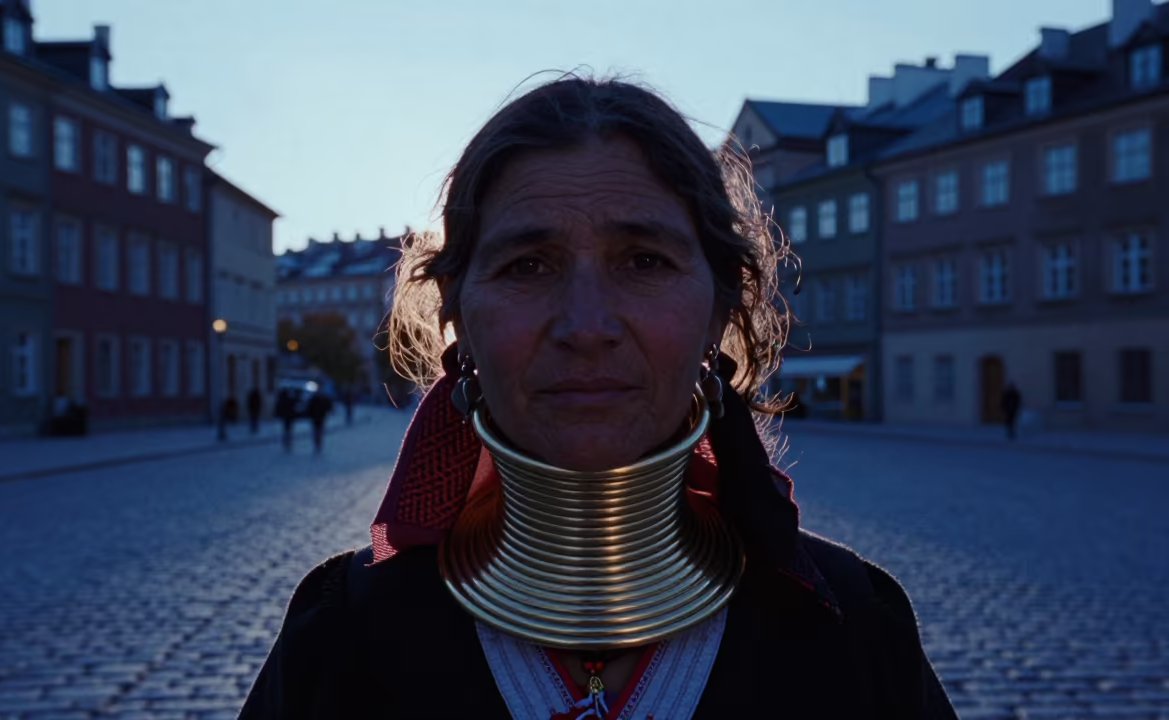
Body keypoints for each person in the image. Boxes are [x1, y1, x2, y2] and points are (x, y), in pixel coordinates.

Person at [240, 77, 955, 718]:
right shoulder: (345, 637)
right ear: (457, 310)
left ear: (719, 305)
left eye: (644, 261)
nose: (586, 327)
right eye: (527, 265)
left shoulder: (848, 625)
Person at [307, 389, 334, 454]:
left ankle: (318, 443)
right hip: (317, 417)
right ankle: (317, 443)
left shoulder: (320, 399)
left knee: (318, 431)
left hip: (320, 417)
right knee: (317, 431)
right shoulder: (315, 399)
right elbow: (309, 408)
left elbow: (328, 407)